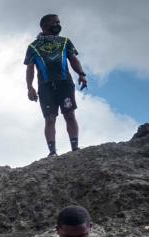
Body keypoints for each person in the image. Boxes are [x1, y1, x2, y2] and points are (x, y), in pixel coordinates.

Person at [25, 14, 88, 157]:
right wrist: (30, 87)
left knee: (70, 114)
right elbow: (30, 69)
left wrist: (82, 74)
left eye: (59, 22)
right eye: (55, 22)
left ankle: (75, 148)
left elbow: (73, 59)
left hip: (65, 83)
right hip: (45, 86)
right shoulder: (33, 47)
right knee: (49, 118)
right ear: (45, 26)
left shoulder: (65, 41)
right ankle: (52, 152)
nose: (58, 25)